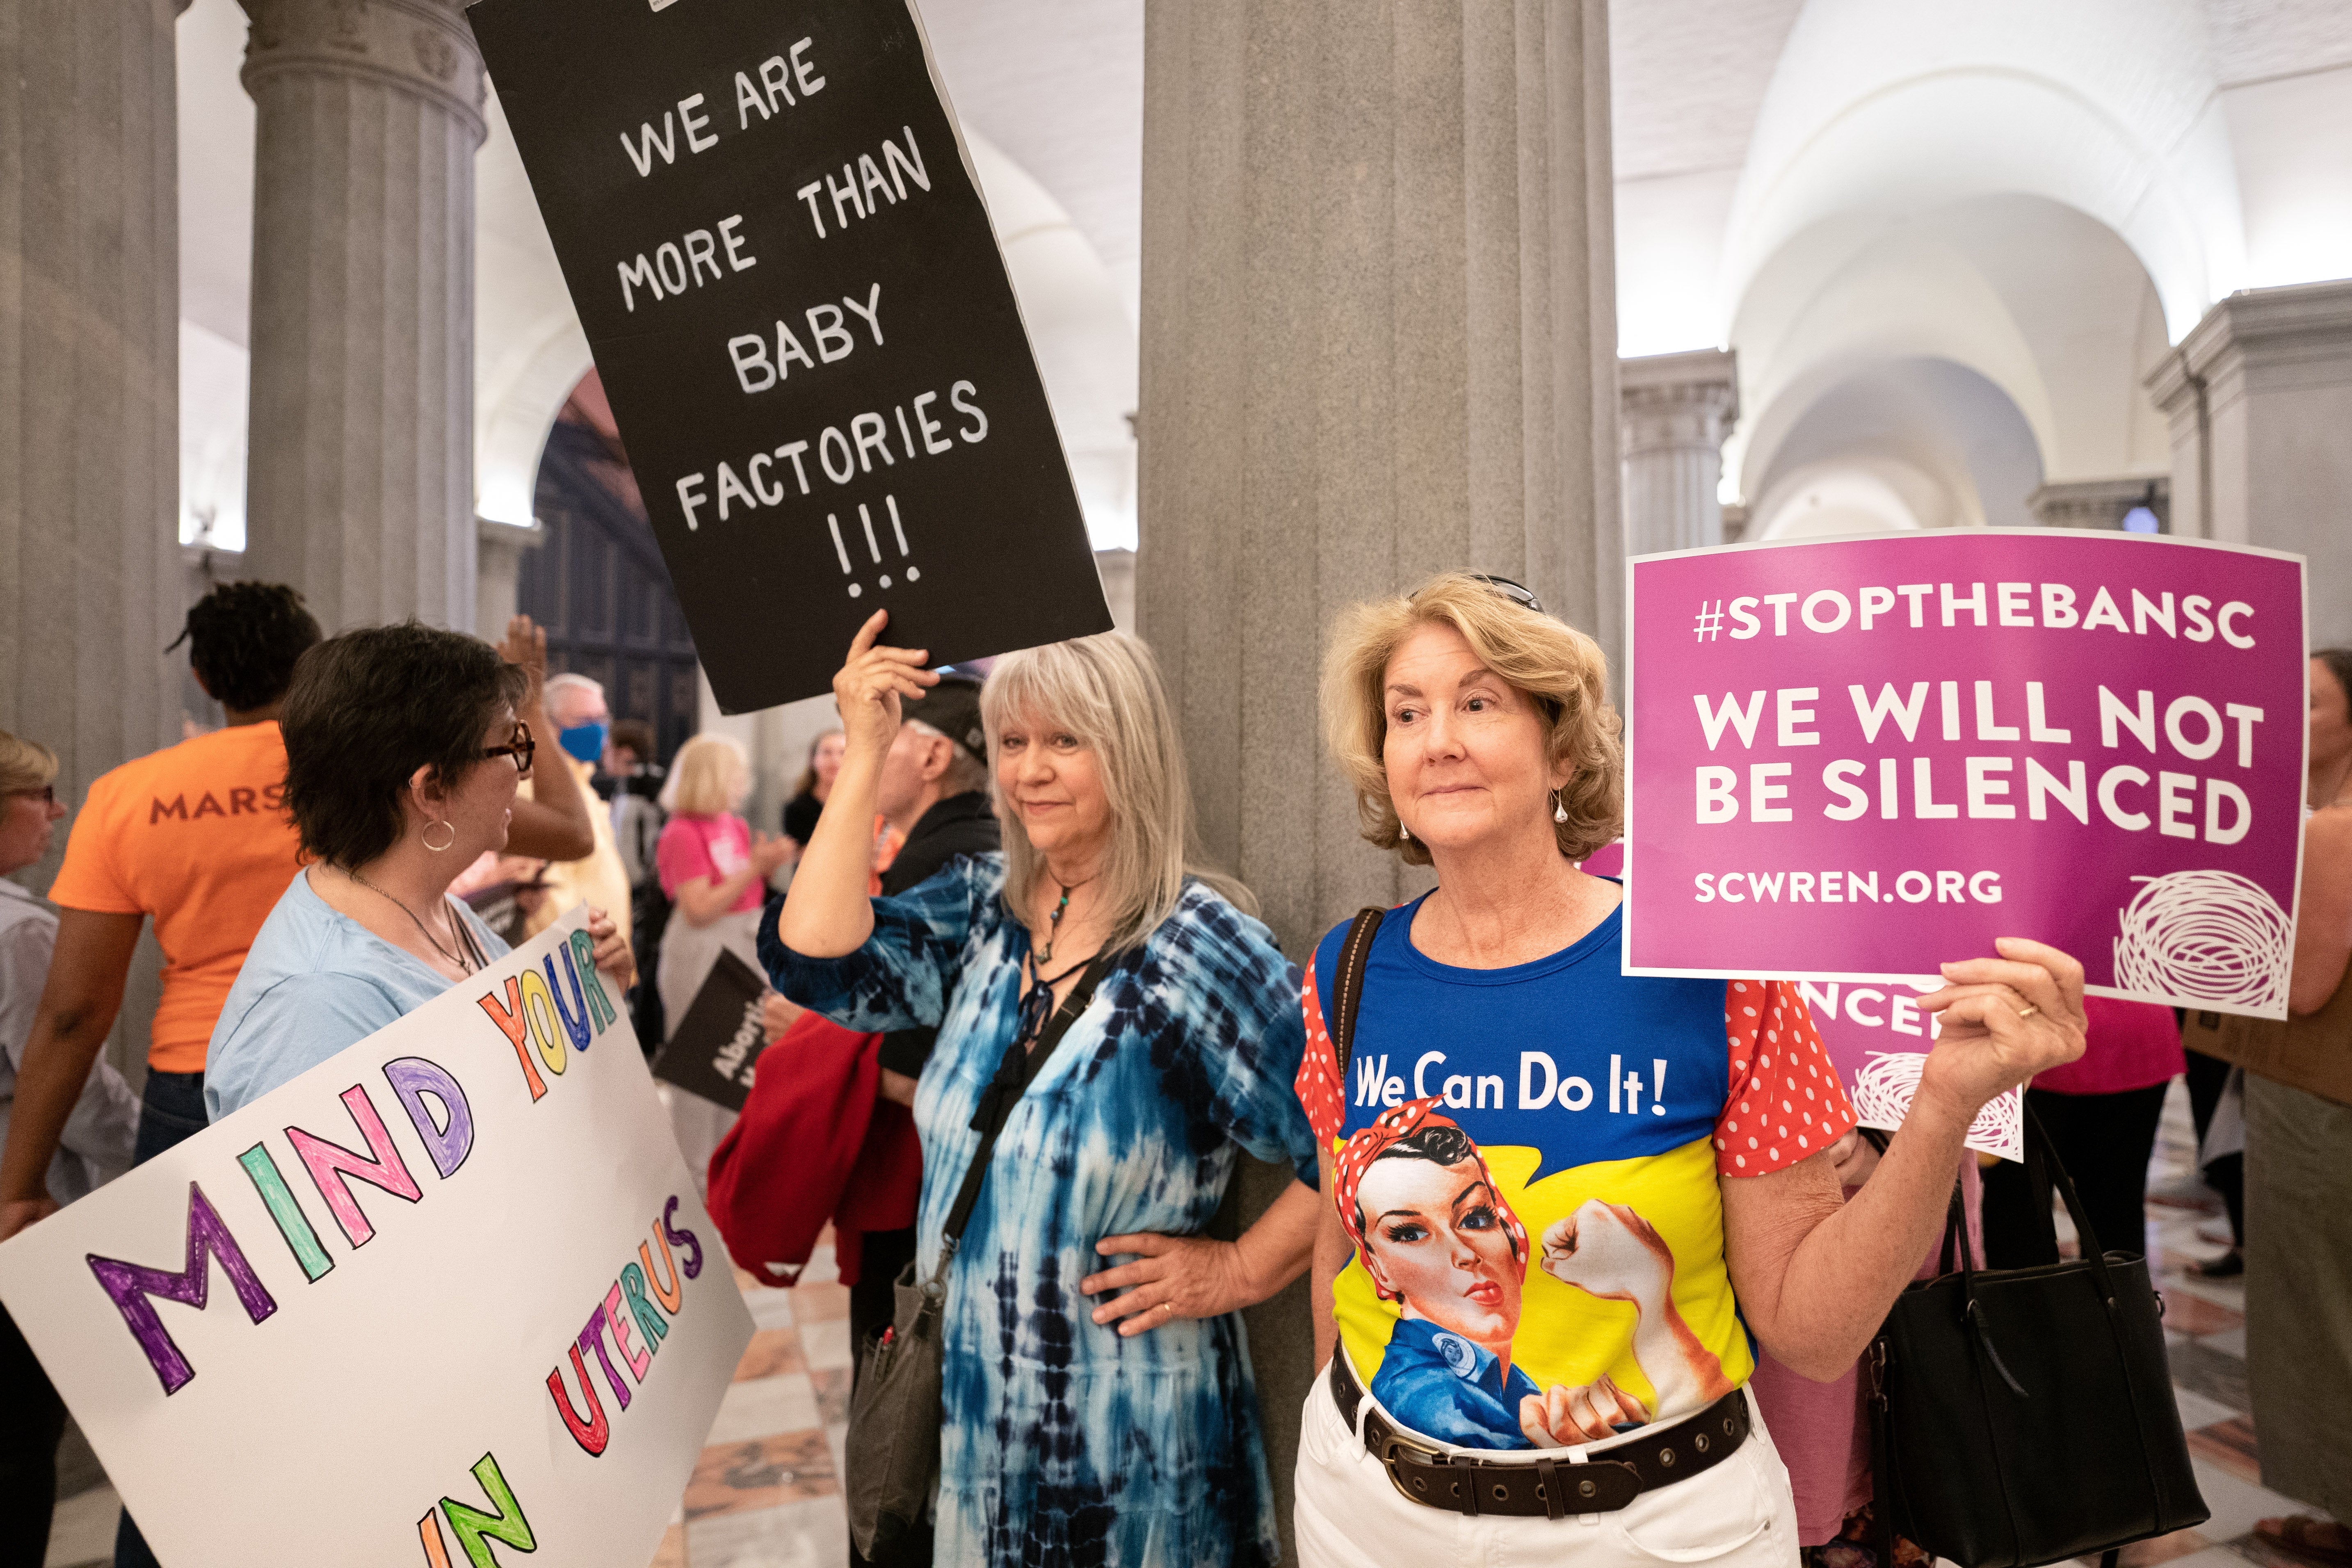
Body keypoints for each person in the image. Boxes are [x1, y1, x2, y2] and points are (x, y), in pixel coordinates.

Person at [1292, 573, 2085, 1563]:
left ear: (1565, 750)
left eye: (1479, 702)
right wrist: (1338, 1426)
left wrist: (1940, 1107)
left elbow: (1812, 1329)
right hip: (1368, 1513)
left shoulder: (1707, 972)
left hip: (1651, 1527)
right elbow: (1342, 1230)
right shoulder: (1349, 967)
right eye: (1407, 712)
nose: (1437, 737)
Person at [764, 615, 1322, 1568]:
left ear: (1131, 752)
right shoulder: (984, 908)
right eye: (1014, 742)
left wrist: (1241, 1271)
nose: (1029, 771)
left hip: (1126, 1436)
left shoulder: (1202, 947)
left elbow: (1353, 1137)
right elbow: (815, 959)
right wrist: (865, 751)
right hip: (970, 1407)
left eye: (1067, 741)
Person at [0, 582, 322, 1249]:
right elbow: (563, 836)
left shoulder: (127, 794)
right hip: (347, 1049)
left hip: (196, 1070)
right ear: (309, 663)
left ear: (202, 678)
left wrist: (18, 1187)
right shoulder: (350, 773)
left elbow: (73, 1013)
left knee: (191, 1314)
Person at [204, 622, 633, 1121]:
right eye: (511, 744)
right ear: (430, 791)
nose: (525, 770)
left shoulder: (431, 908)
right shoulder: (317, 1003)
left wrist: (588, 1010)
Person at [0, 728, 138, 1565]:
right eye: (37, 795)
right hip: (21, 1204)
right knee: (16, 1437)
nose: (56, 810)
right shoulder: (19, 934)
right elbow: (71, 1076)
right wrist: (152, 1153)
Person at [2241, 650, 2352, 1561]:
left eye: (2309, 701)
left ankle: (2338, 1508)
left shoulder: (2330, 829)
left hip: (2315, 1104)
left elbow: (2303, 988)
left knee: (2317, 1302)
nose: (2290, 709)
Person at [657, 734, 793, 1185]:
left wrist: (765, 865)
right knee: (701, 1064)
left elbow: (743, 889)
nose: (744, 783)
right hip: (701, 945)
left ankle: (726, 1165)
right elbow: (698, 909)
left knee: (739, 1056)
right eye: (736, 774)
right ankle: (694, 1175)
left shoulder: (732, 825)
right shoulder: (681, 831)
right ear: (713, 776)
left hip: (742, 936)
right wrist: (754, 868)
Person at [1980, 998, 2181, 1270]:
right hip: (2133, 1027)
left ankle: (2025, 1311)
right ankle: (2114, 1311)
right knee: (2115, 1214)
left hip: (2031, 1032)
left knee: (2019, 1215)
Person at [518, 671, 633, 958]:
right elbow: (531, 878)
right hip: (566, 957)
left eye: (602, 719)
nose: (597, 730)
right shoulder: (531, 784)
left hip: (601, 954)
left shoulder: (584, 781)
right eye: (584, 721)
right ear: (549, 724)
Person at [605, 718, 671, 1050]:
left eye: (609, 748)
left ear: (624, 752)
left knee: (645, 969)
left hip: (646, 896)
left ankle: (646, 1045)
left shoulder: (638, 790)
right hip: (653, 895)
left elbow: (631, 853)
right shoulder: (653, 782)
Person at [781, 728, 845, 849]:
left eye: (843, 753)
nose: (835, 760)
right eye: (827, 753)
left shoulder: (863, 805)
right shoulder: (797, 809)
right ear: (813, 759)